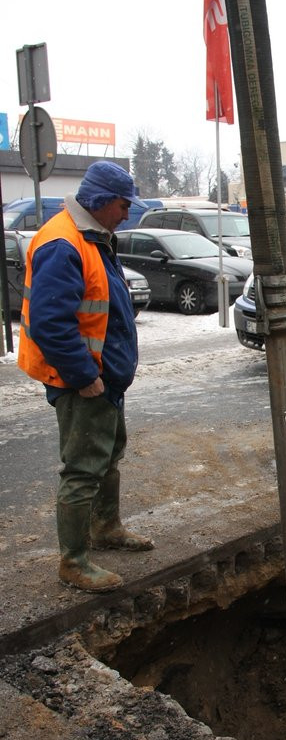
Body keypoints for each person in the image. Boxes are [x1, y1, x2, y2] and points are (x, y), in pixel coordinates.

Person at [18, 161, 153, 593]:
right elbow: (50, 323)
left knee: (108, 454)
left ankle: (106, 528)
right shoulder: (63, 243)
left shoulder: (94, 237)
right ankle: (73, 562)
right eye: (123, 205)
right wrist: (83, 376)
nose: (127, 214)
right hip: (84, 381)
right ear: (101, 201)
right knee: (83, 469)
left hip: (105, 379)